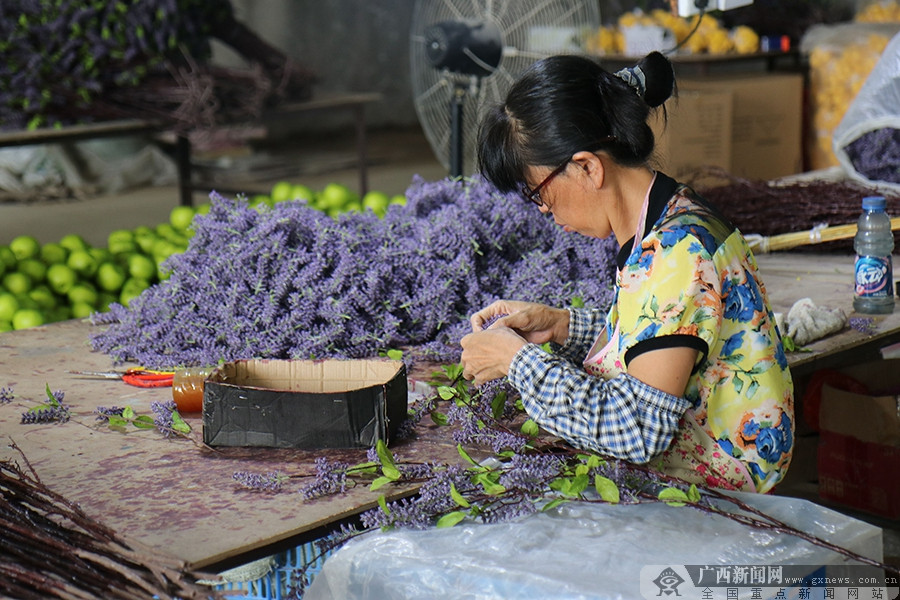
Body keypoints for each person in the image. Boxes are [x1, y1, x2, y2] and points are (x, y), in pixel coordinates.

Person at [460, 51, 794, 494]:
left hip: (720, 488)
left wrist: (517, 362)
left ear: (586, 167)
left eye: (538, 193)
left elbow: (636, 430)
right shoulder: (670, 213)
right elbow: (664, 337)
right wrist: (562, 326)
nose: (543, 210)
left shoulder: (676, 254)